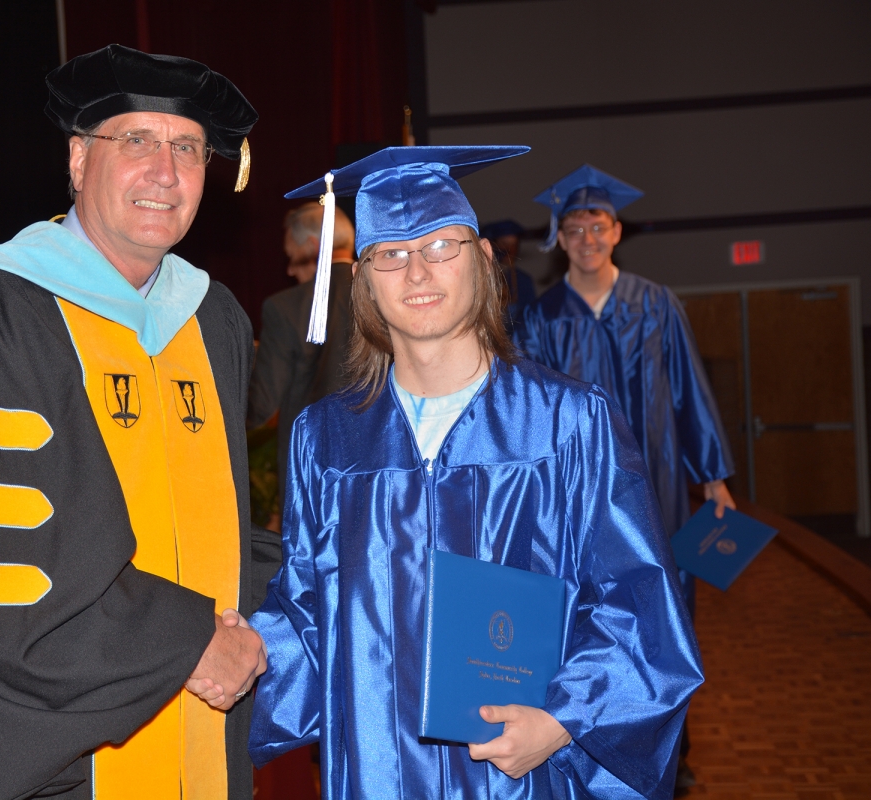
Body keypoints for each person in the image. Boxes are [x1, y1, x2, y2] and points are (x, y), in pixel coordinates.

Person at [0, 44, 280, 800]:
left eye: (187, 148)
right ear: (76, 159)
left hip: (203, 743)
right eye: (136, 140)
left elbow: (215, 524)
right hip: (58, 759)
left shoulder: (210, 317)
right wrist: (190, 643)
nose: (165, 171)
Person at [245, 147, 704, 799]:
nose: (418, 270)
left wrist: (564, 718)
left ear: (485, 262)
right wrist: (225, 659)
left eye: (442, 245)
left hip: (526, 774)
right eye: (392, 254)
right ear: (364, 281)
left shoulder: (569, 423)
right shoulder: (326, 439)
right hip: (380, 772)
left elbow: (640, 603)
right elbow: (306, 617)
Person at [515, 164, 735, 793]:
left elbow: (691, 387)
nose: (588, 236)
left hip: (658, 483)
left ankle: (672, 745)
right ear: (560, 235)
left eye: (599, 224)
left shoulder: (656, 302)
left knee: (666, 612)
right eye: (576, 226)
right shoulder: (543, 316)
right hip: (578, 493)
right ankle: (590, 741)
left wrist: (713, 474)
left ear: (617, 231)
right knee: (589, 611)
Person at [248, 203, 356, 518]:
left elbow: (262, 405)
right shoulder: (386, 294)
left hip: (310, 477)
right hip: (384, 470)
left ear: (313, 247)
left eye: (292, 257)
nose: (290, 270)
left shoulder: (284, 307)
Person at [479, 218, 535, 328]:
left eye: (514, 245)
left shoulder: (524, 281)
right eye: (504, 244)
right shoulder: (482, 279)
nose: (509, 250)